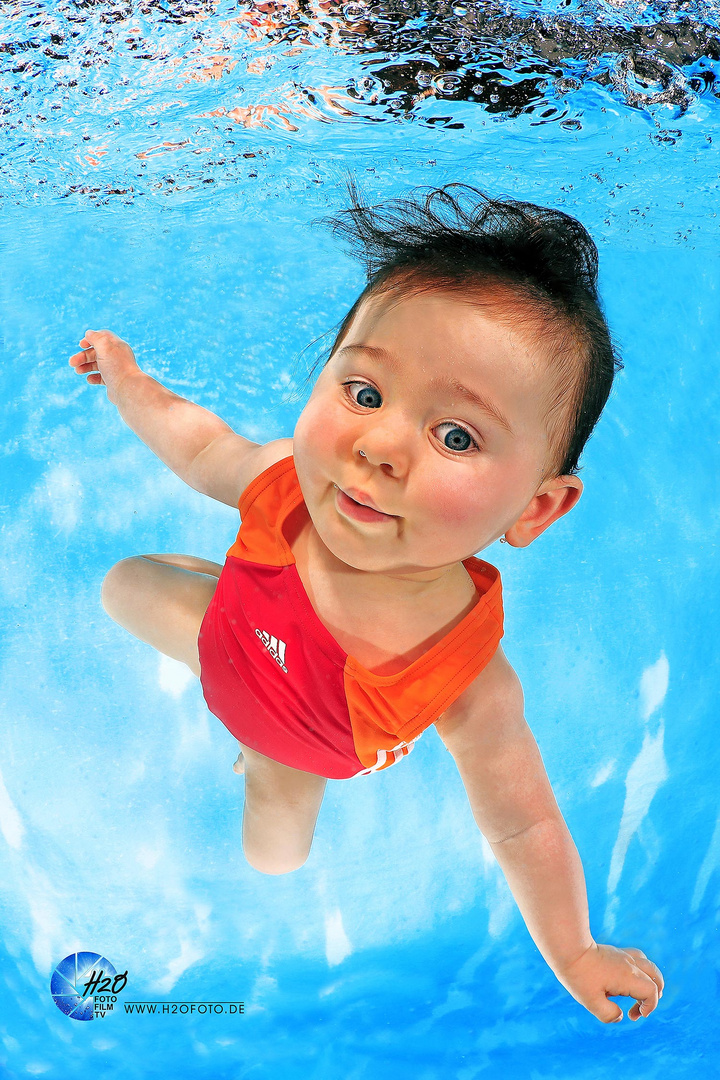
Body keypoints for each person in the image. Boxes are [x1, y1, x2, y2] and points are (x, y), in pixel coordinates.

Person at [69, 183, 664, 1024]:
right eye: (365, 393)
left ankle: (258, 749)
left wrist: (573, 950)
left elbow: (524, 828)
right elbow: (200, 444)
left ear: (534, 508)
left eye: (456, 436)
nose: (378, 447)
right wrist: (127, 380)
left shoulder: (465, 679)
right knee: (123, 582)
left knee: (273, 857)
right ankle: (251, 609)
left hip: (291, 749)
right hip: (231, 634)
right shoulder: (283, 486)